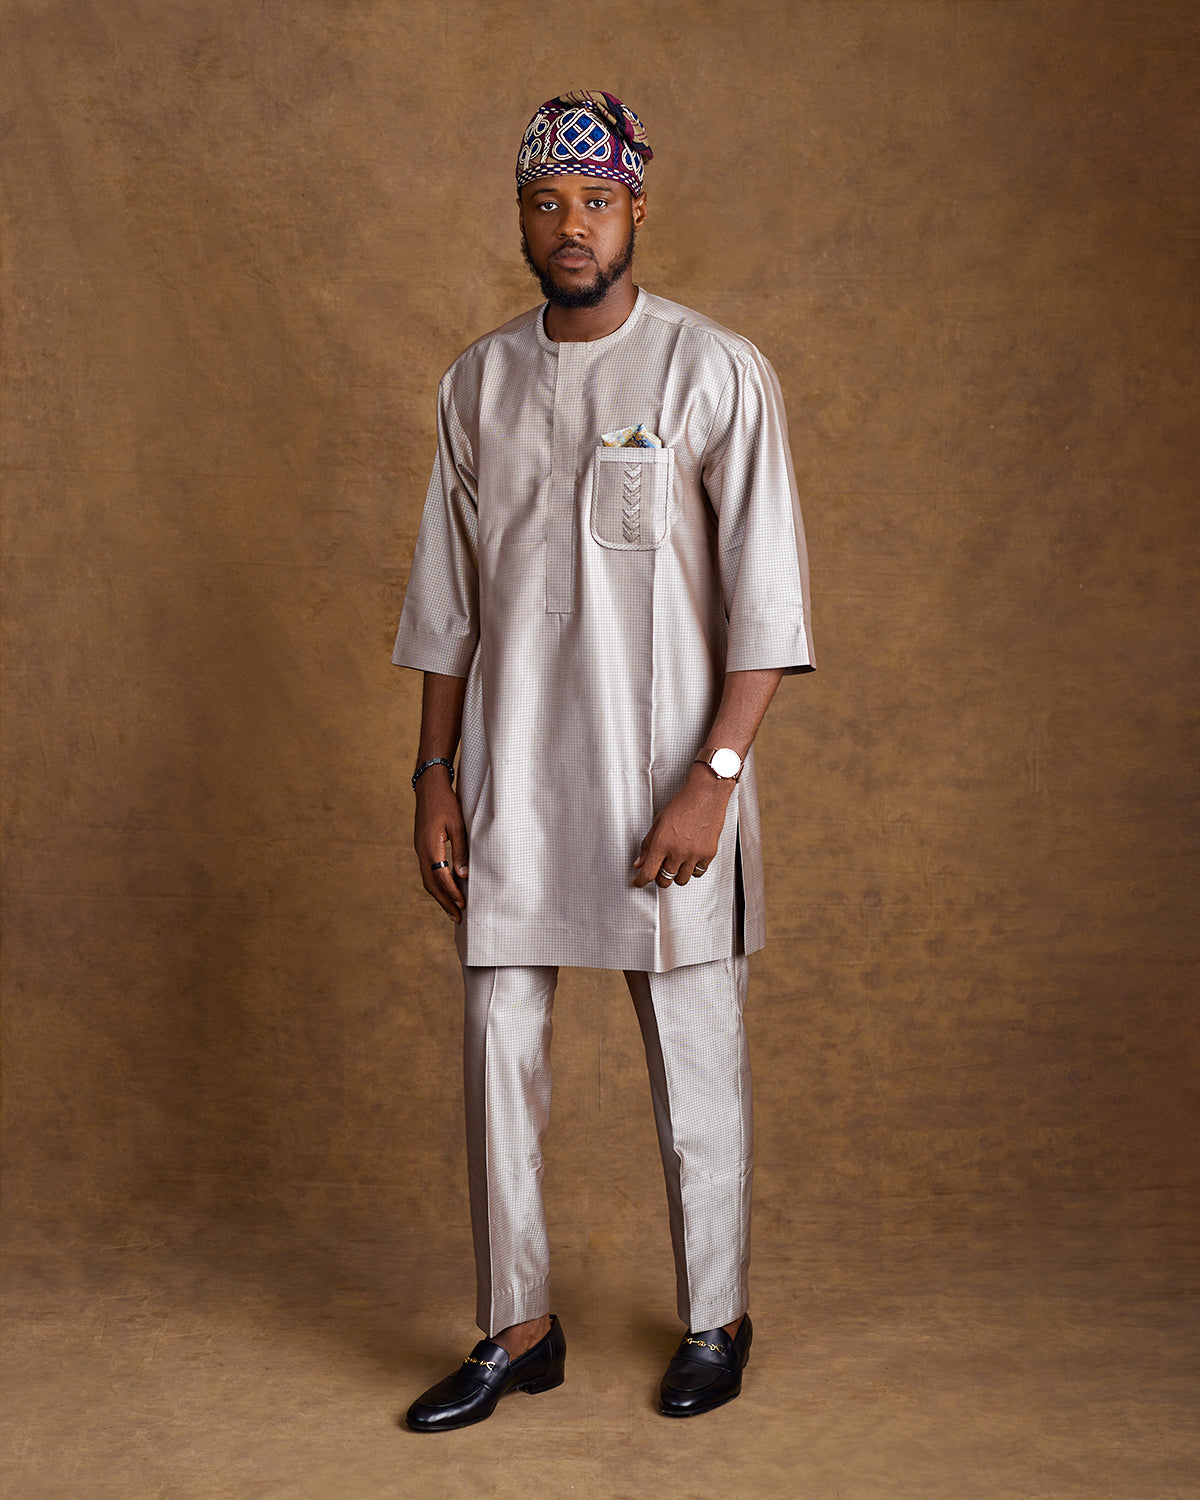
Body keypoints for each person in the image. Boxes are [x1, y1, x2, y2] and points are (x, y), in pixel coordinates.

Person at [394, 90, 814, 1431]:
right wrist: (433, 776)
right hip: (514, 771)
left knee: (696, 1059)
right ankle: (519, 1325)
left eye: (594, 201)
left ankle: (716, 1315)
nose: (570, 225)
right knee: (497, 1053)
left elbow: (769, 601)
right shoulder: (480, 381)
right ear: (521, 218)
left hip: (667, 784)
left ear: (638, 209)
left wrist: (719, 776)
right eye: (546, 202)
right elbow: (445, 603)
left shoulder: (712, 371)